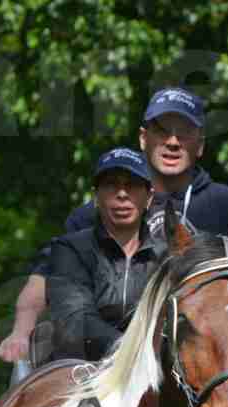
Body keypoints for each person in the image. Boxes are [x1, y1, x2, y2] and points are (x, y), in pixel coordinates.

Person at [0, 87, 228, 363]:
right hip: (96, 358)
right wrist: (20, 333)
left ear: (201, 144)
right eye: (162, 130)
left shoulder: (227, 206)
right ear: (143, 138)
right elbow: (44, 276)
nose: (173, 142)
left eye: (185, 132)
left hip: (190, 364)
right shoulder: (95, 213)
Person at [46, 147, 164, 362]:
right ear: (96, 198)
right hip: (80, 371)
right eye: (111, 185)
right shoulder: (69, 249)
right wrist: (131, 354)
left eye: (132, 185)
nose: (122, 194)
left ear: (149, 198)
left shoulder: (168, 257)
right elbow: (75, 321)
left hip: (152, 373)